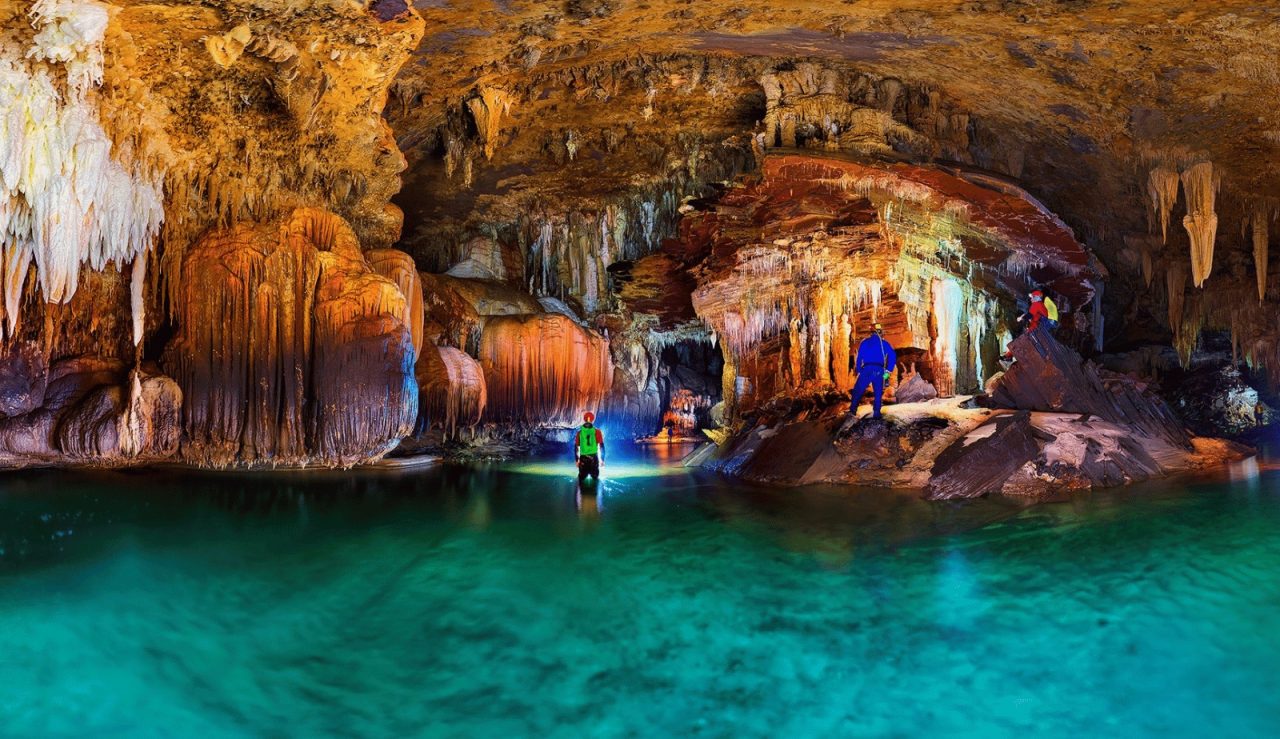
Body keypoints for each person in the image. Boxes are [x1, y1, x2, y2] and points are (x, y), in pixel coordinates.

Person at [849, 322, 897, 420]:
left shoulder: (865, 342)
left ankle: (853, 411)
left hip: (867, 369)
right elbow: (892, 356)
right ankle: (876, 413)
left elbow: (859, 357)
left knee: (858, 390)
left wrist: (859, 369)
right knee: (878, 393)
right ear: (880, 332)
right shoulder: (884, 343)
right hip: (879, 370)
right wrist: (888, 371)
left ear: (871, 332)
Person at [574, 412, 605, 482]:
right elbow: (602, 446)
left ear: (584, 420)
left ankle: (579, 492)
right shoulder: (597, 432)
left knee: (581, 480)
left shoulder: (580, 432)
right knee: (595, 480)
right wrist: (602, 459)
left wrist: (577, 460)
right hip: (594, 458)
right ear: (592, 420)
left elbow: (576, 447)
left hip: (583, 459)